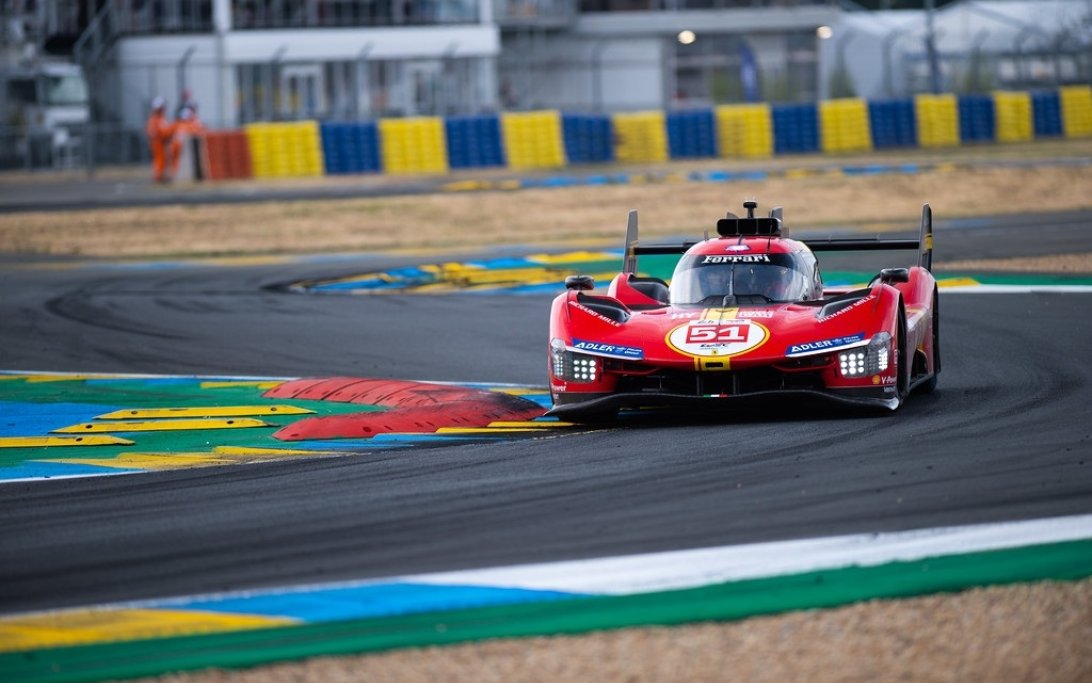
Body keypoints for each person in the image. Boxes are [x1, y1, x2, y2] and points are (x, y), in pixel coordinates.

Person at [145, 96, 176, 183]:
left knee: (164, 159)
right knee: (160, 160)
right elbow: (153, 132)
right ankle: (158, 176)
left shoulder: (160, 118)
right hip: (158, 142)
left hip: (162, 141)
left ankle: (162, 175)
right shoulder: (154, 119)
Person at [170, 103, 205, 179]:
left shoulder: (177, 124)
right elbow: (197, 132)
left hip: (178, 146)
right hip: (183, 147)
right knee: (180, 162)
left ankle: (175, 175)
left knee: (176, 162)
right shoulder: (188, 125)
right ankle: (178, 175)